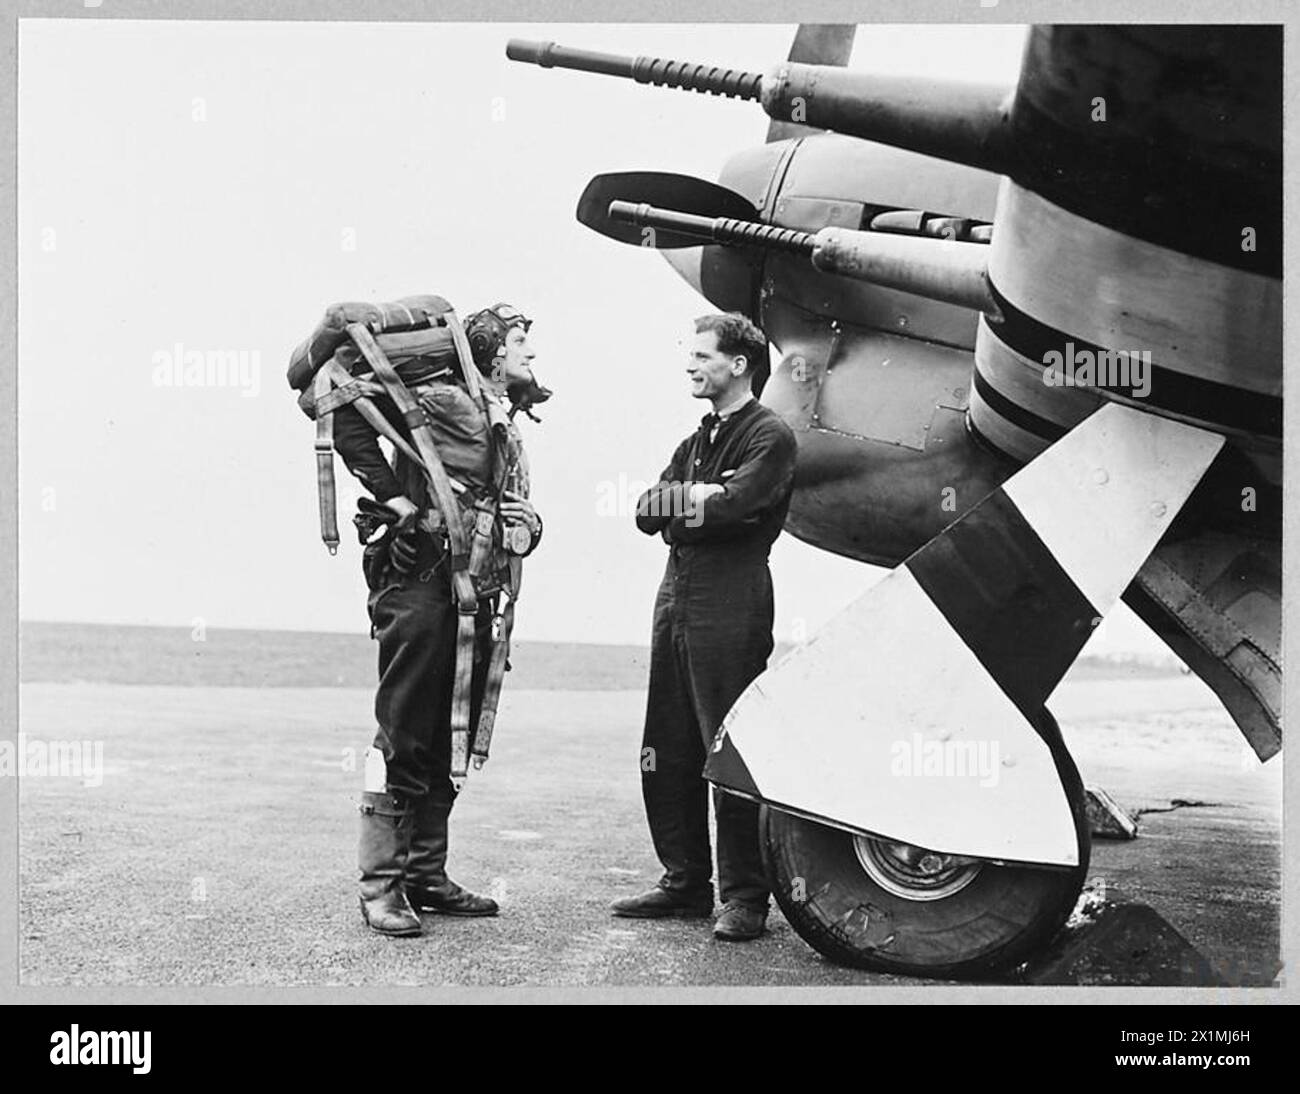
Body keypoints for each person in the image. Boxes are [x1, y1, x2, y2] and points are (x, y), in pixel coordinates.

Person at [337, 303, 544, 938]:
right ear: (490, 352)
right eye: (520, 345)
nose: (531, 357)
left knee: (451, 728)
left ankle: (426, 873)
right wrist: (400, 506)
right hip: (421, 586)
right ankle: (381, 885)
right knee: (404, 729)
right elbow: (346, 416)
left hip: (474, 593)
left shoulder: (493, 416)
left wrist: (525, 525)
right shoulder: (445, 398)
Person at [612, 312, 797, 941]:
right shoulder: (695, 442)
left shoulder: (769, 436)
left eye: (701, 356)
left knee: (729, 744)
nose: (690, 366)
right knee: (666, 743)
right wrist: (699, 499)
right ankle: (685, 882)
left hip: (732, 597)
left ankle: (744, 897)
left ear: (737, 364)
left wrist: (686, 503)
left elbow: (741, 503)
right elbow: (644, 512)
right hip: (676, 598)